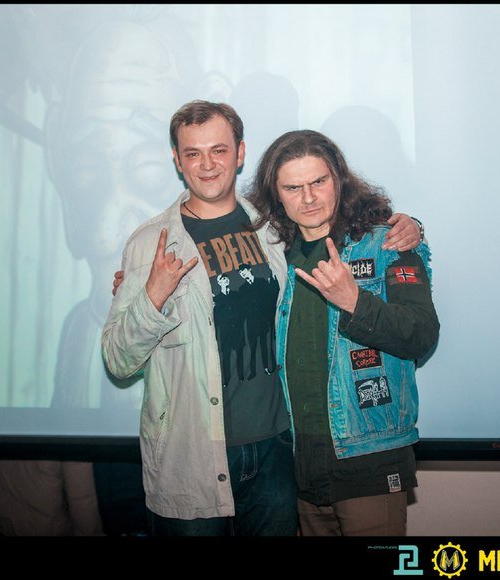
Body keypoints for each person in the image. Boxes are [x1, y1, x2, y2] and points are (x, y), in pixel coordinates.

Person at [101, 101, 422, 536]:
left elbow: (352, 228)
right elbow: (118, 361)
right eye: (193, 153)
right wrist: (151, 296)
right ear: (177, 160)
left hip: (278, 453)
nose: (207, 165)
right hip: (192, 456)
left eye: (218, 150)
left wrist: (409, 226)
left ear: (240, 152)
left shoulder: (274, 229)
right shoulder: (149, 244)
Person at [245, 129, 439, 536]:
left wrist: (354, 301)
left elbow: (422, 334)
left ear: (339, 180)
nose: (308, 198)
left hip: (370, 458)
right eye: (293, 188)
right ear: (276, 195)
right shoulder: (272, 257)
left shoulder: (387, 244)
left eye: (318, 182)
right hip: (297, 462)